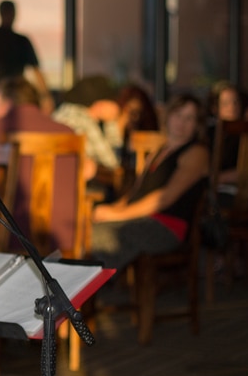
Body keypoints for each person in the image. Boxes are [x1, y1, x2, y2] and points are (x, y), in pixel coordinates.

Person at [89, 94, 209, 271]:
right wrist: (112, 209)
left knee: (97, 236)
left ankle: (79, 293)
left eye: (189, 118)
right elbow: (135, 194)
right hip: (141, 219)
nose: (181, 122)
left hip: (166, 226)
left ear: (197, 125)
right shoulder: (159, 151)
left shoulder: (197, 152)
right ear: (168, 116)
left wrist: (118, 215)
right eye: (178, 114)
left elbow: (165, 198)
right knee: (82, 229)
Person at [0, 76, 82, 255]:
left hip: (6, 240)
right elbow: (87, 170)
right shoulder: (68, 133)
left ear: (7, 103)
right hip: (64, 239)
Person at [51, 75, 122, 189]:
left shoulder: (61, 112)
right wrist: (111, 122)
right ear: (100, 104)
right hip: (69, 187)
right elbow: (112, 162)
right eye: (113, 101)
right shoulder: (84, 120)